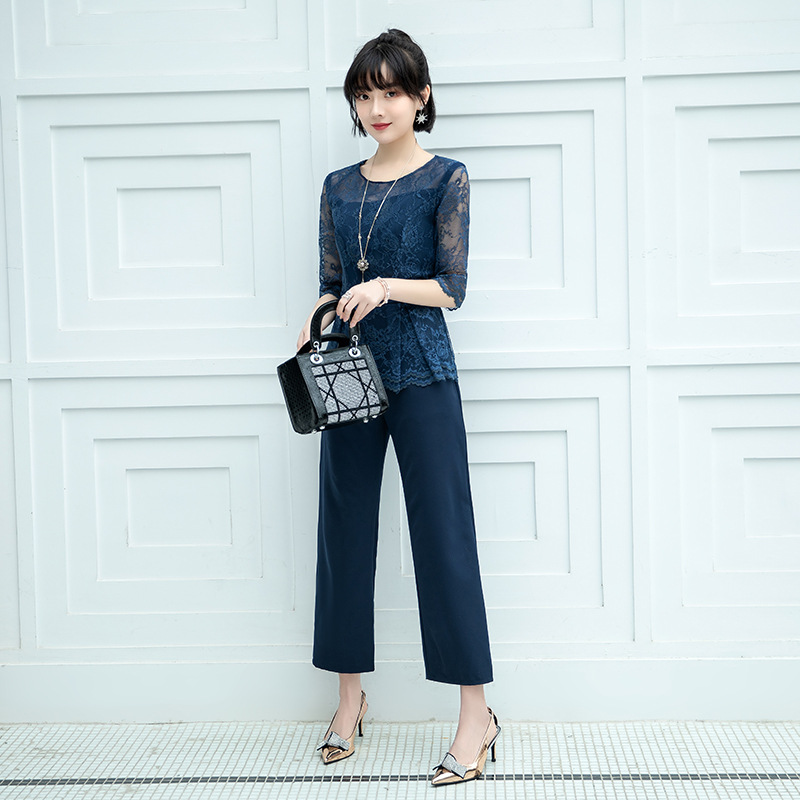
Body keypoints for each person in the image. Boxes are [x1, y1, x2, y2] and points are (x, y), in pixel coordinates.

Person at [296, 29, 500, 787]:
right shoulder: (336, 186)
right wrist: (316, 318)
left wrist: (384, 288)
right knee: (343, 533)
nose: (376, 107)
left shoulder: (447, 178)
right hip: (348, 375)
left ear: (421, 96)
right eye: (364, 93)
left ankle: (476, 715)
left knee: (444, 537)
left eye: (390, 91)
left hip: (422, 371)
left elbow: (452, 287)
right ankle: (350, 700)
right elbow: (329, 279)